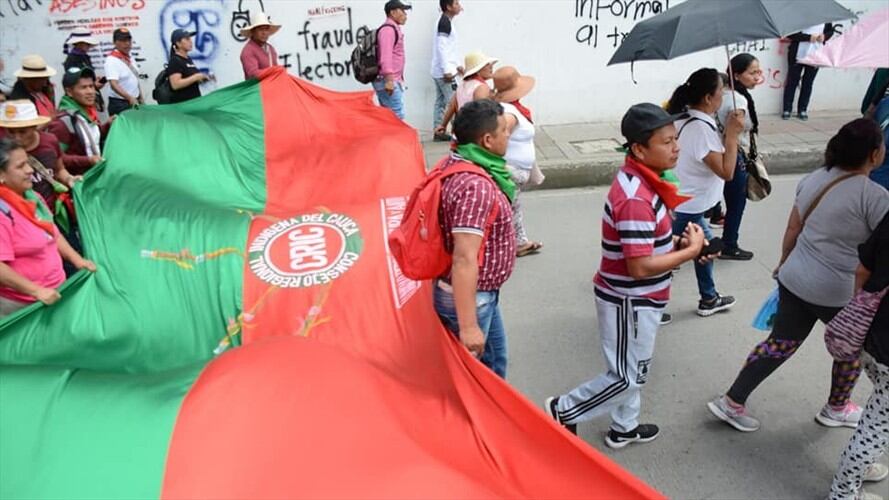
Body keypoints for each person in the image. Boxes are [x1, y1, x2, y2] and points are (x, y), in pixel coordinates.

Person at [709, 118, 889, 433]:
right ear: (874, 154)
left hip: (796, 278)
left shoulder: (815, 177)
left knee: (779, 343)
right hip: (838, 291)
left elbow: (794, 227)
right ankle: (837, 407)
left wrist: (783, 264)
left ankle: (732, 401)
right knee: (849, 349)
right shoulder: (875, 197)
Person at [545, 103, 708, 447]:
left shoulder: (648, 181)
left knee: (637, 367)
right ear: (638, 149)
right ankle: (563, 410)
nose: (676, 147)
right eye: (666, 142)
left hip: (643, 299)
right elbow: (638, 267)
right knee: (626, 376)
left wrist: (679, 242)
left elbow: (645, 243)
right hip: (629, 300)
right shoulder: (636, 196)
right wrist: (689, 252)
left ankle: (624, 427)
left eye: (675, 139)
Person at [433, 99, 516, 378]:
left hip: (482, 295)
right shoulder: (476, 186)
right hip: (472, 297)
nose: (510, 134)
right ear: (488, 140)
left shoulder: (458, 160)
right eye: (505, 130)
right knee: (479, 380)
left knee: (494, 364)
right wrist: (468, 326)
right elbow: (464, 257)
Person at [667, 68, 744, 317]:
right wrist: (732, 136)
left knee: (705, 249)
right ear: (709, 98)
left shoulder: (684, 117)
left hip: (683, 202)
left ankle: (709, 298)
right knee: (661, 259)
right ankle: (647, 308)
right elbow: (726, 172)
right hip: (688, 207)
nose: (724, 96)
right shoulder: (700, 128)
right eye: (721, 91)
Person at [828, 212, 889, 500]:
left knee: (880, 405)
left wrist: (859, 312)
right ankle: (843, 492)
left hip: (875, 333)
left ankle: (860, 465)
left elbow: (863, 269)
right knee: (876, 426)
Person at [0, 137, 95, 318]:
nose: (30, 170)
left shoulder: (31, 197)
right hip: (22, 306)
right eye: (20, 167)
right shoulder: (2, 212)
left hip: (53, 292)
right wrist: (35, 291)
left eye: (28, 163)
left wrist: (78, 260)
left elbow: (51, 232)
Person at [716, 54, 763, 260]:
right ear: (736, 75)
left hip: (714, 153)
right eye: (752, 73)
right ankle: (729, 244)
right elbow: (735, 132)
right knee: (736, 202)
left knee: (710, 198)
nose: (757, 77)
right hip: (733, 155)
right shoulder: (738, 100)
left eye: (758, 72)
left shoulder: (718, 96)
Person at [493, 66, 543, 257]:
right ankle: (506, 244)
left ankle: (519, 242)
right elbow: (498, 134)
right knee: (508, 207)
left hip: (513, 168)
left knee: (513, 205)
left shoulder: (512, 109)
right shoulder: (509, 113)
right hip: (510, 168)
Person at [0, 101, 79, 213]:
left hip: (52, 211)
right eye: (11, 132)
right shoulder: (2, 150)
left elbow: (60, 169)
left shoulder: (50, 141)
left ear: (34, 127)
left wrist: (69, 179)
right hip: (22, 213)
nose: (16, 137)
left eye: (23, 132)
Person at [47, 67, 110, 174]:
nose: (90, 92)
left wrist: (108, 125)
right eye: (83, 87)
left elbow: (92, 138)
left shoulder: (86, 113)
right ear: (69, 92)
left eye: (91, 86)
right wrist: (88, 160)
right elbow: (57, 158)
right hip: (79, 181)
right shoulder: (62, 122)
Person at [434, 51, 497, 137]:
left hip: (461, 131)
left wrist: (443, 125)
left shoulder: (462, 85)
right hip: (474, 134)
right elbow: (482, 113)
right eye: (487, 65)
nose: (491, 67)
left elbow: (452, 106)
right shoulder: (481, 87)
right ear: (478, 70)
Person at [783, 23, 835, 121]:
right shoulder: (800, 17)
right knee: (792, 82)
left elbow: (830, 31)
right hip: (797, 55)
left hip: (815, 55)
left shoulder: (825, 19)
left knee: (808, 83)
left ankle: (802, 109)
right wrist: (808, 37)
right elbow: (789, 33)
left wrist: (825, 36)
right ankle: (787, 109)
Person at [430, 0, 463, 141]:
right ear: (448, 7)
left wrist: (457, 65)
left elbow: (449, 49)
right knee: (454, 102)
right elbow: (441, 47)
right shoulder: (444, 22)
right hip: (444, 73)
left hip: (441, 70)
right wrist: (447, 70)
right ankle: (459, 135)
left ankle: (439, 131)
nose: (460, 6)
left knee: (440, 102)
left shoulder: (446, 21)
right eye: (456, 3)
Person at [374, 1, 411, 120]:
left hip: (391, 80)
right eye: (403, 11)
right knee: (397, 117)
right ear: (393, 12)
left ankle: (391, 139)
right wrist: (389, 80)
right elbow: (385, 56)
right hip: (389, 81)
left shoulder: (393, 29)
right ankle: (400, 139)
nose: (405, 15)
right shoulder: (388, 30)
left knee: (389, 118)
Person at [62, 27, 105, 112]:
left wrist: (94, 81)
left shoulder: (85, 57)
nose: (89, 46)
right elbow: (74, 83)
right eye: (87, 43)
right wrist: (94, 85)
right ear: (79, 43)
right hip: (78, 101)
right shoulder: (71, 59)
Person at [103, 28, 143, 116]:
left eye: (129, 40)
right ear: (114, 42)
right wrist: (129, 98)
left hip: (133, 101)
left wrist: (141, 97)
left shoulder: (130, 57)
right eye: (123, 40)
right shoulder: (111, 60)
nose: (127, 43)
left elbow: (134, 78)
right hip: (120, 104)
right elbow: (113, 84)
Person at [167, 29, 210, 104]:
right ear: (178, 43)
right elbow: (175, 84)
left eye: (190, 38)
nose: (191, 41)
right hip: (183, 106)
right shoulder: (175, 61)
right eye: (187, 39)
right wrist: (195, 77)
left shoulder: (188, 59)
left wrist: (203, 78)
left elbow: (189, 79)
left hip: (195, 102)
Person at [239, 12, 281, 80]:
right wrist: (274, 71)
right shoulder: (248, 51)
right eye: (260, 29)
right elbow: (253, 74)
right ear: (253, 31)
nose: (264, 33)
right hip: (258, 89)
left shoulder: (271, 49)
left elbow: (275, 69)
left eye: (266, 29)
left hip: (272, 88)